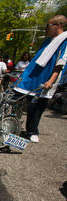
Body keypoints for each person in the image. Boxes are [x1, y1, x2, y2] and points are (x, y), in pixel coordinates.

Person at [12, 15, 67, 143]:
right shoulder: (47, 41)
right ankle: (1, 123)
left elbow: (61, 62)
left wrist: (51, 80)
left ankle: (32, 131)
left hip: (45, 80)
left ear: (57, 25)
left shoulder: (64, 41)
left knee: (35, 107)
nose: (45, 29)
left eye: (47, 26)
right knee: (11, 99)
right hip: (30, 77)